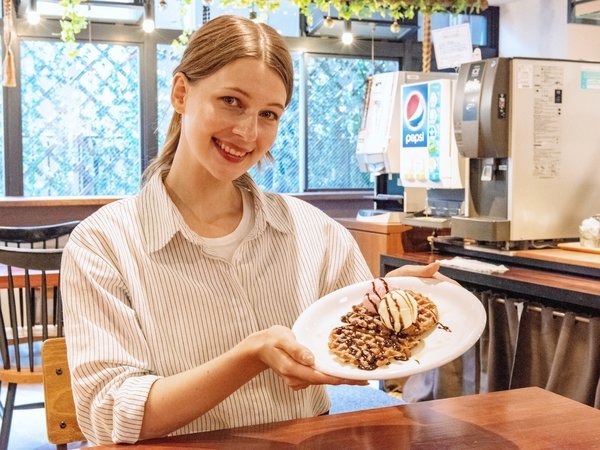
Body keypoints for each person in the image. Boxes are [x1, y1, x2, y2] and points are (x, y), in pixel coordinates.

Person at [61, 14, 449, 445]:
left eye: (268, 114)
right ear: (181, 93)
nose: (247, 132)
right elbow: (108, 413)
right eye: (231, 101)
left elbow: (351, 348)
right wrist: (248, 357)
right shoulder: (103, 243)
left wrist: (386, 302)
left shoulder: (314, 232)